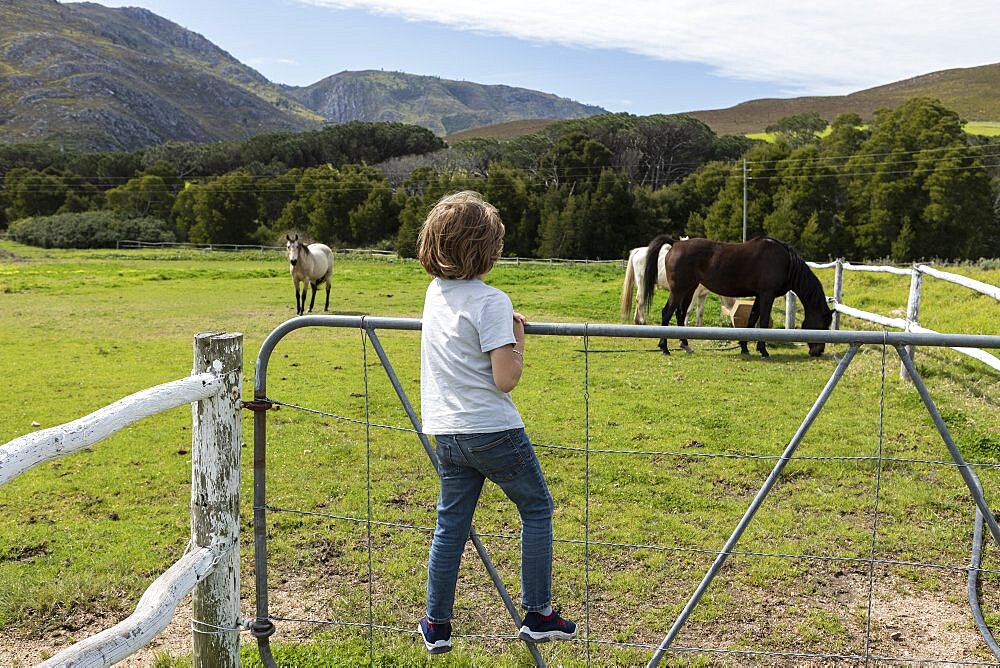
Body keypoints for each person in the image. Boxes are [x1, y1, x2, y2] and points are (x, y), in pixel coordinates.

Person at [415, 191, 576, 654]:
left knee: (451, 524)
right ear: (487, 249)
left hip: (445, 431)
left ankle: (436, 623)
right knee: (537, 508)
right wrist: (517, 335)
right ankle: (539, 612)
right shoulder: (491, 302)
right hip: (492, 430)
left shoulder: (435, 293)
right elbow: (505, 379)